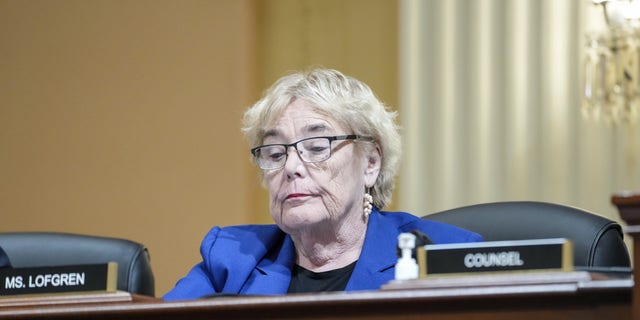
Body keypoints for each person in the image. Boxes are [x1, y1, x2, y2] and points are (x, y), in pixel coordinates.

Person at [163, 68, 482, 300]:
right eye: (275, 153)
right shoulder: (232, 259)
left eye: (316, 147)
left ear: (371, 162)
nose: (290, 167)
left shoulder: (445, 257)